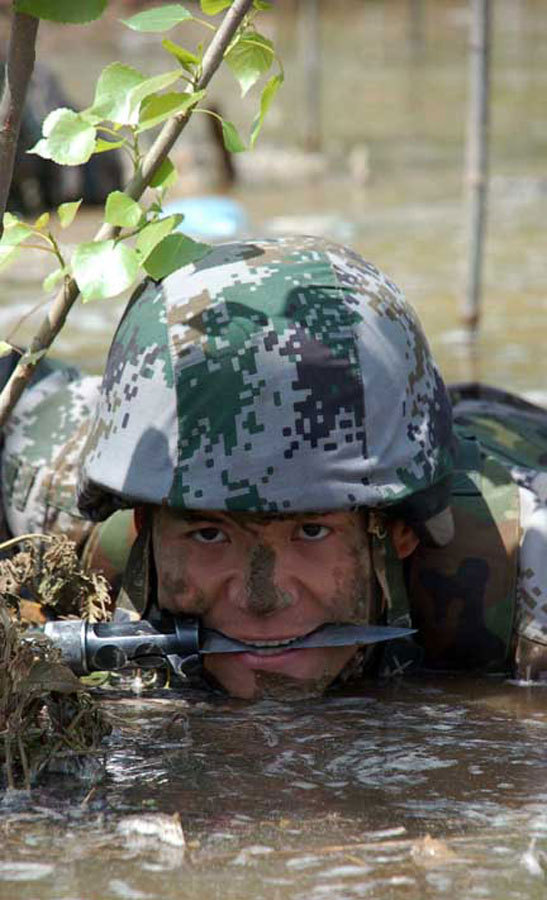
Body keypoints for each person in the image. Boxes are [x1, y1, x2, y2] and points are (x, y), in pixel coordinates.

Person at [1, 235, 546, 698]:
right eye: (209, 533)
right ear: (145, 524)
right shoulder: (81, 500)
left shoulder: (531, 584)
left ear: (397, 533)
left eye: (311, 531)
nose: (261, 600)